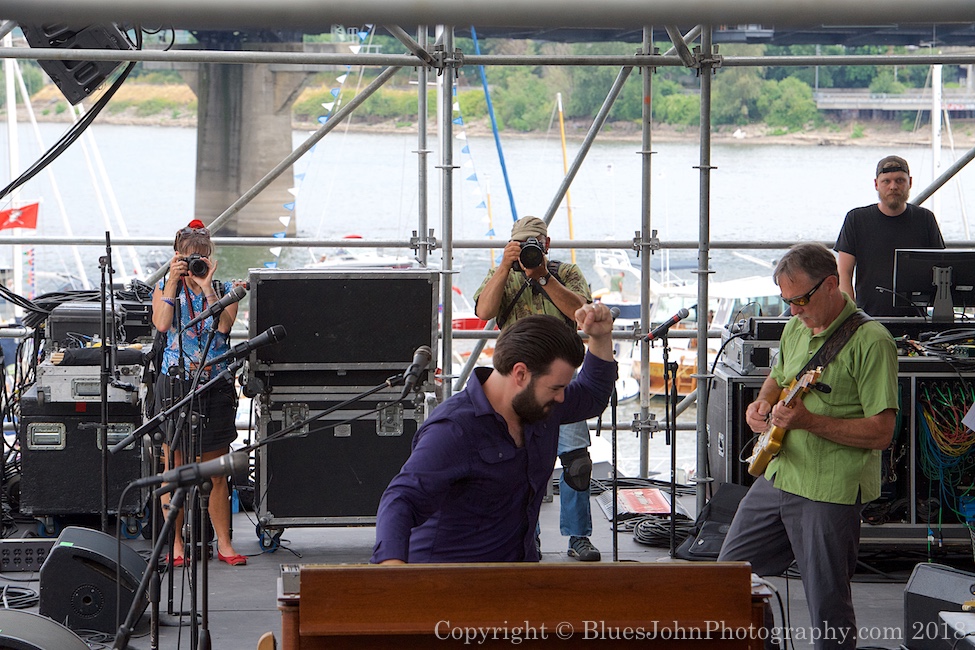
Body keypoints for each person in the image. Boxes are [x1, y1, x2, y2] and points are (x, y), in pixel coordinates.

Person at [718, 242, 898, 650]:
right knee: (730, 576)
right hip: (780, 473)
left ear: (831, 285)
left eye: (800, 300)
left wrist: (810, 421)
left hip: (829, 489)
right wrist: (761, 404)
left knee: (827, 604)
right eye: (787, 301)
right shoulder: (796, 327)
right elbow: (779, 376)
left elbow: (881, 433)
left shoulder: (873, 341)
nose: (793, 310)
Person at [371, 306, 617, 563]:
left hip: (516, 573)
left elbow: (591, 395)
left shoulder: (542, 405)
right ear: (520, 374)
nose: (562, 398)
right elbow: (402, 499)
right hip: (445, 577)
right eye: (555, 388)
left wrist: (600, 337)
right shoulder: (454, 429)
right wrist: (393, 571)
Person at [472, 216, 601, 562]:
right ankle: (528, 536)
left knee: (576, 463)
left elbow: (582, 313)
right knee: (519, 463)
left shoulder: (565, 272)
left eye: (534, 243)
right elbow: (484, 311)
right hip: (516, 384)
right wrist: (504, 267)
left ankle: (578, 536)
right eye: (521, 243)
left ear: (546, 244)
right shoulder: (502, 274)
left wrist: (542, 276)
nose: (529, 249)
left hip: (559, 380)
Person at [151, 219, 247, 567]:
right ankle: (175, 544)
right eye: (190, 257)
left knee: (216, 470)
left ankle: (225, 544)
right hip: (175, 385)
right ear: (177, 257)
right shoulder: (165, 288)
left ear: (211, 256)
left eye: (202, 256)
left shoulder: (224, 289)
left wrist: (207, 288)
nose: (196, 263)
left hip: (213, 385)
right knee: (174, 467)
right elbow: (163, 324)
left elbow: (222, 328)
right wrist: (172, 282)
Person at [835, 155, 944, 316]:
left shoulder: (925, 219)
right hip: (868, 318)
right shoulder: (856, 219)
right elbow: (844, 273)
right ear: (876, 184)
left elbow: (941, 269)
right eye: (886, 181)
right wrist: (851, 316)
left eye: (900, 180)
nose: (893, 187)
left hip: (915, 318)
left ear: (910, 182)